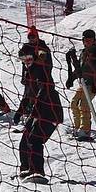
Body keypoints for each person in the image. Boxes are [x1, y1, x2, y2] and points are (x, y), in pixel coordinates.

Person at [14, 48, 62, 183]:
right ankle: (26, 169)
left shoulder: (41, 71)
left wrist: (36, 107)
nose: (26, 62)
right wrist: (19, 112)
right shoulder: (28, 74)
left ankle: (38, 171)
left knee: (35, 139)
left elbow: (45, 89)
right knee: (25, 140)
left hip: (51, 112)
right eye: (23, 60)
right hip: (38, 113)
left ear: (33, 57)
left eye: (28, 58)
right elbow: (27, 96)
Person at [68, 29, 96, 141]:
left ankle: (85, 130)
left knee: (84, 104)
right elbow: (81, 69)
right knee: (74, 103)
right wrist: (71, 78)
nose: (87, 42)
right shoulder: (84, 52)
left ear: (94, 40)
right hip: (84, 82)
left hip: (93, 83)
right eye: (85, 40)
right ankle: (78, 127)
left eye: (90, 40)